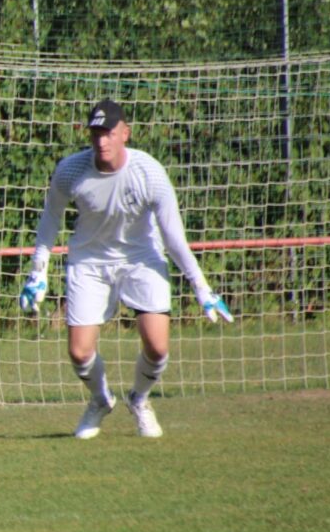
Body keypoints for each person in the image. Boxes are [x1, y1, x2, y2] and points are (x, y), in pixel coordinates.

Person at [19, 99, 232, 440]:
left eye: (109, 133)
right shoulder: (71, 171)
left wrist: (201, 286)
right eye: (96, 134)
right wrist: (37, 271)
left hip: (141, 259)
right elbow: (50, 220)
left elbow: (173, 237)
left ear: (125, 134)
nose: (102, 141)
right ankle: (100, 400)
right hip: (89, 262)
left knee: (158, 347)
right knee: (79, 352)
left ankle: (139, 399)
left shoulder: (149, 173)